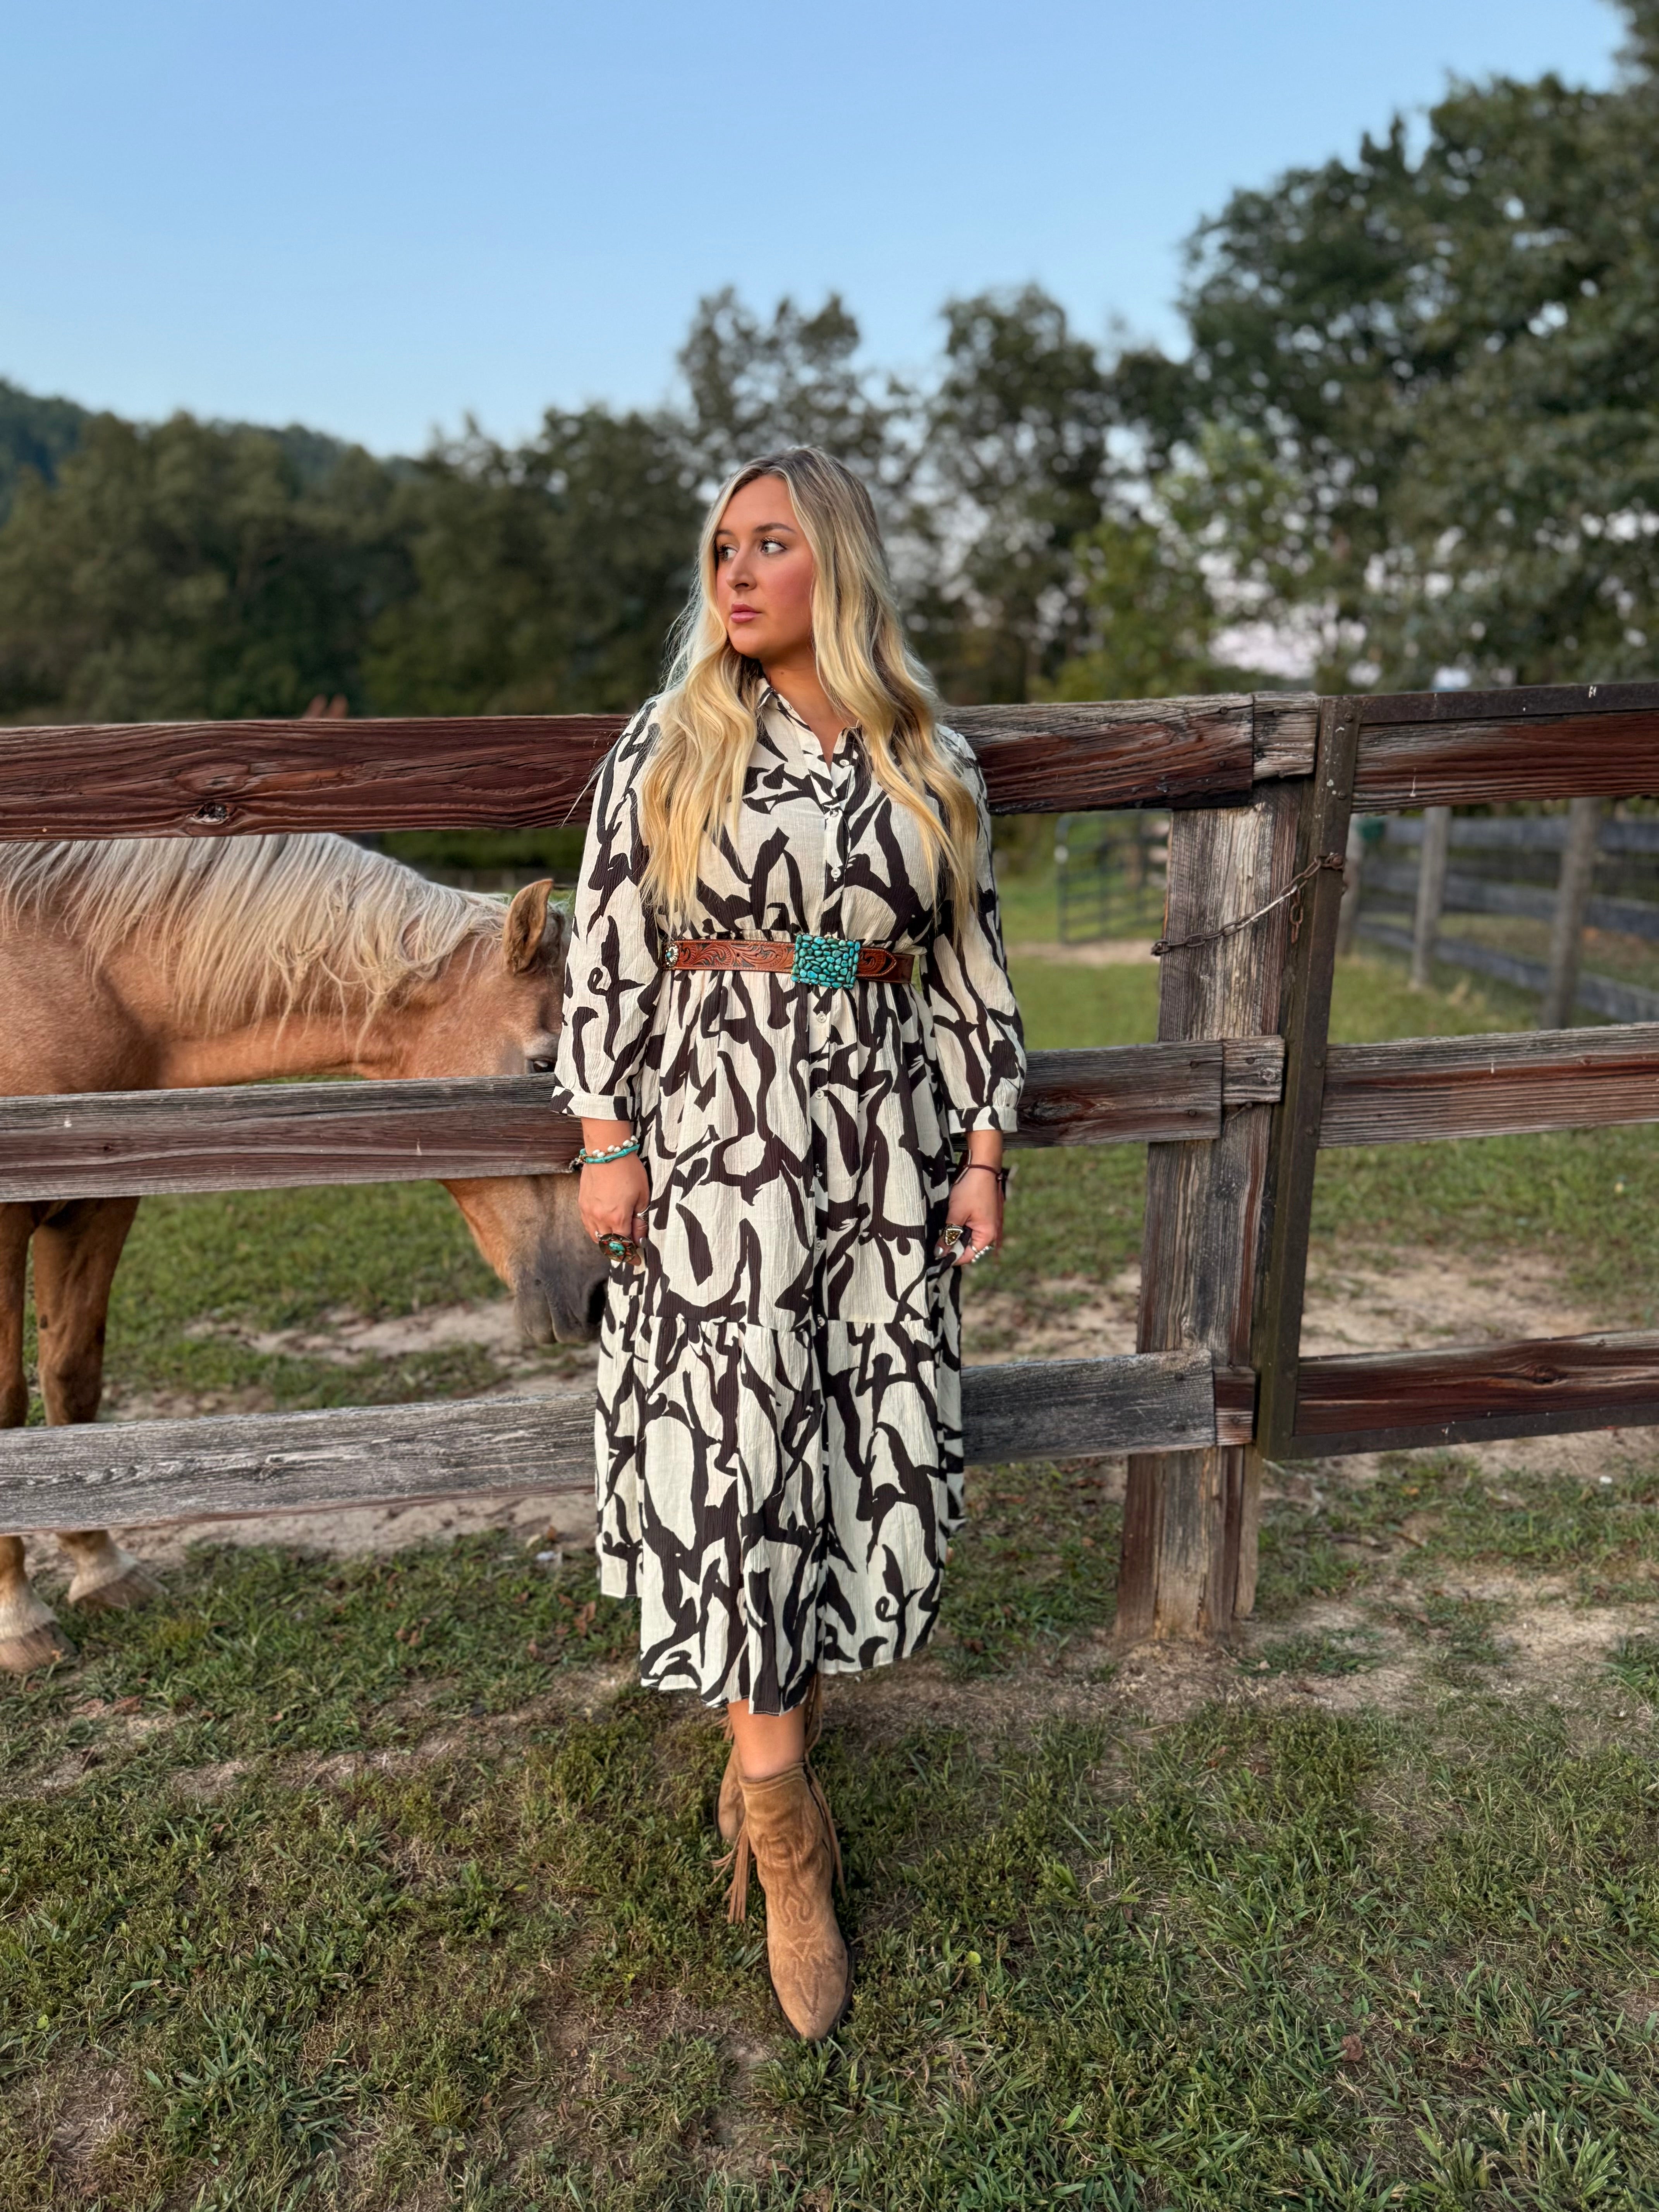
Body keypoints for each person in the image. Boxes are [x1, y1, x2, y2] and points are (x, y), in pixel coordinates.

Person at [549, 446, 1025, 2040]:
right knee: (740, 1455)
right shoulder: (672, 740)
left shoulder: (928, 757)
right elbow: (611, 950)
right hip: (716, 1149)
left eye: (768, 544)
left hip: (877, 1152)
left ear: (838, 562)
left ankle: (769, 1755)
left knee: (827, 1451)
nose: (735, 574)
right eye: (721, 550)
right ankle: (786, 1836)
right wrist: (606, 1140)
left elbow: (963, 964)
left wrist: (981, 1149)